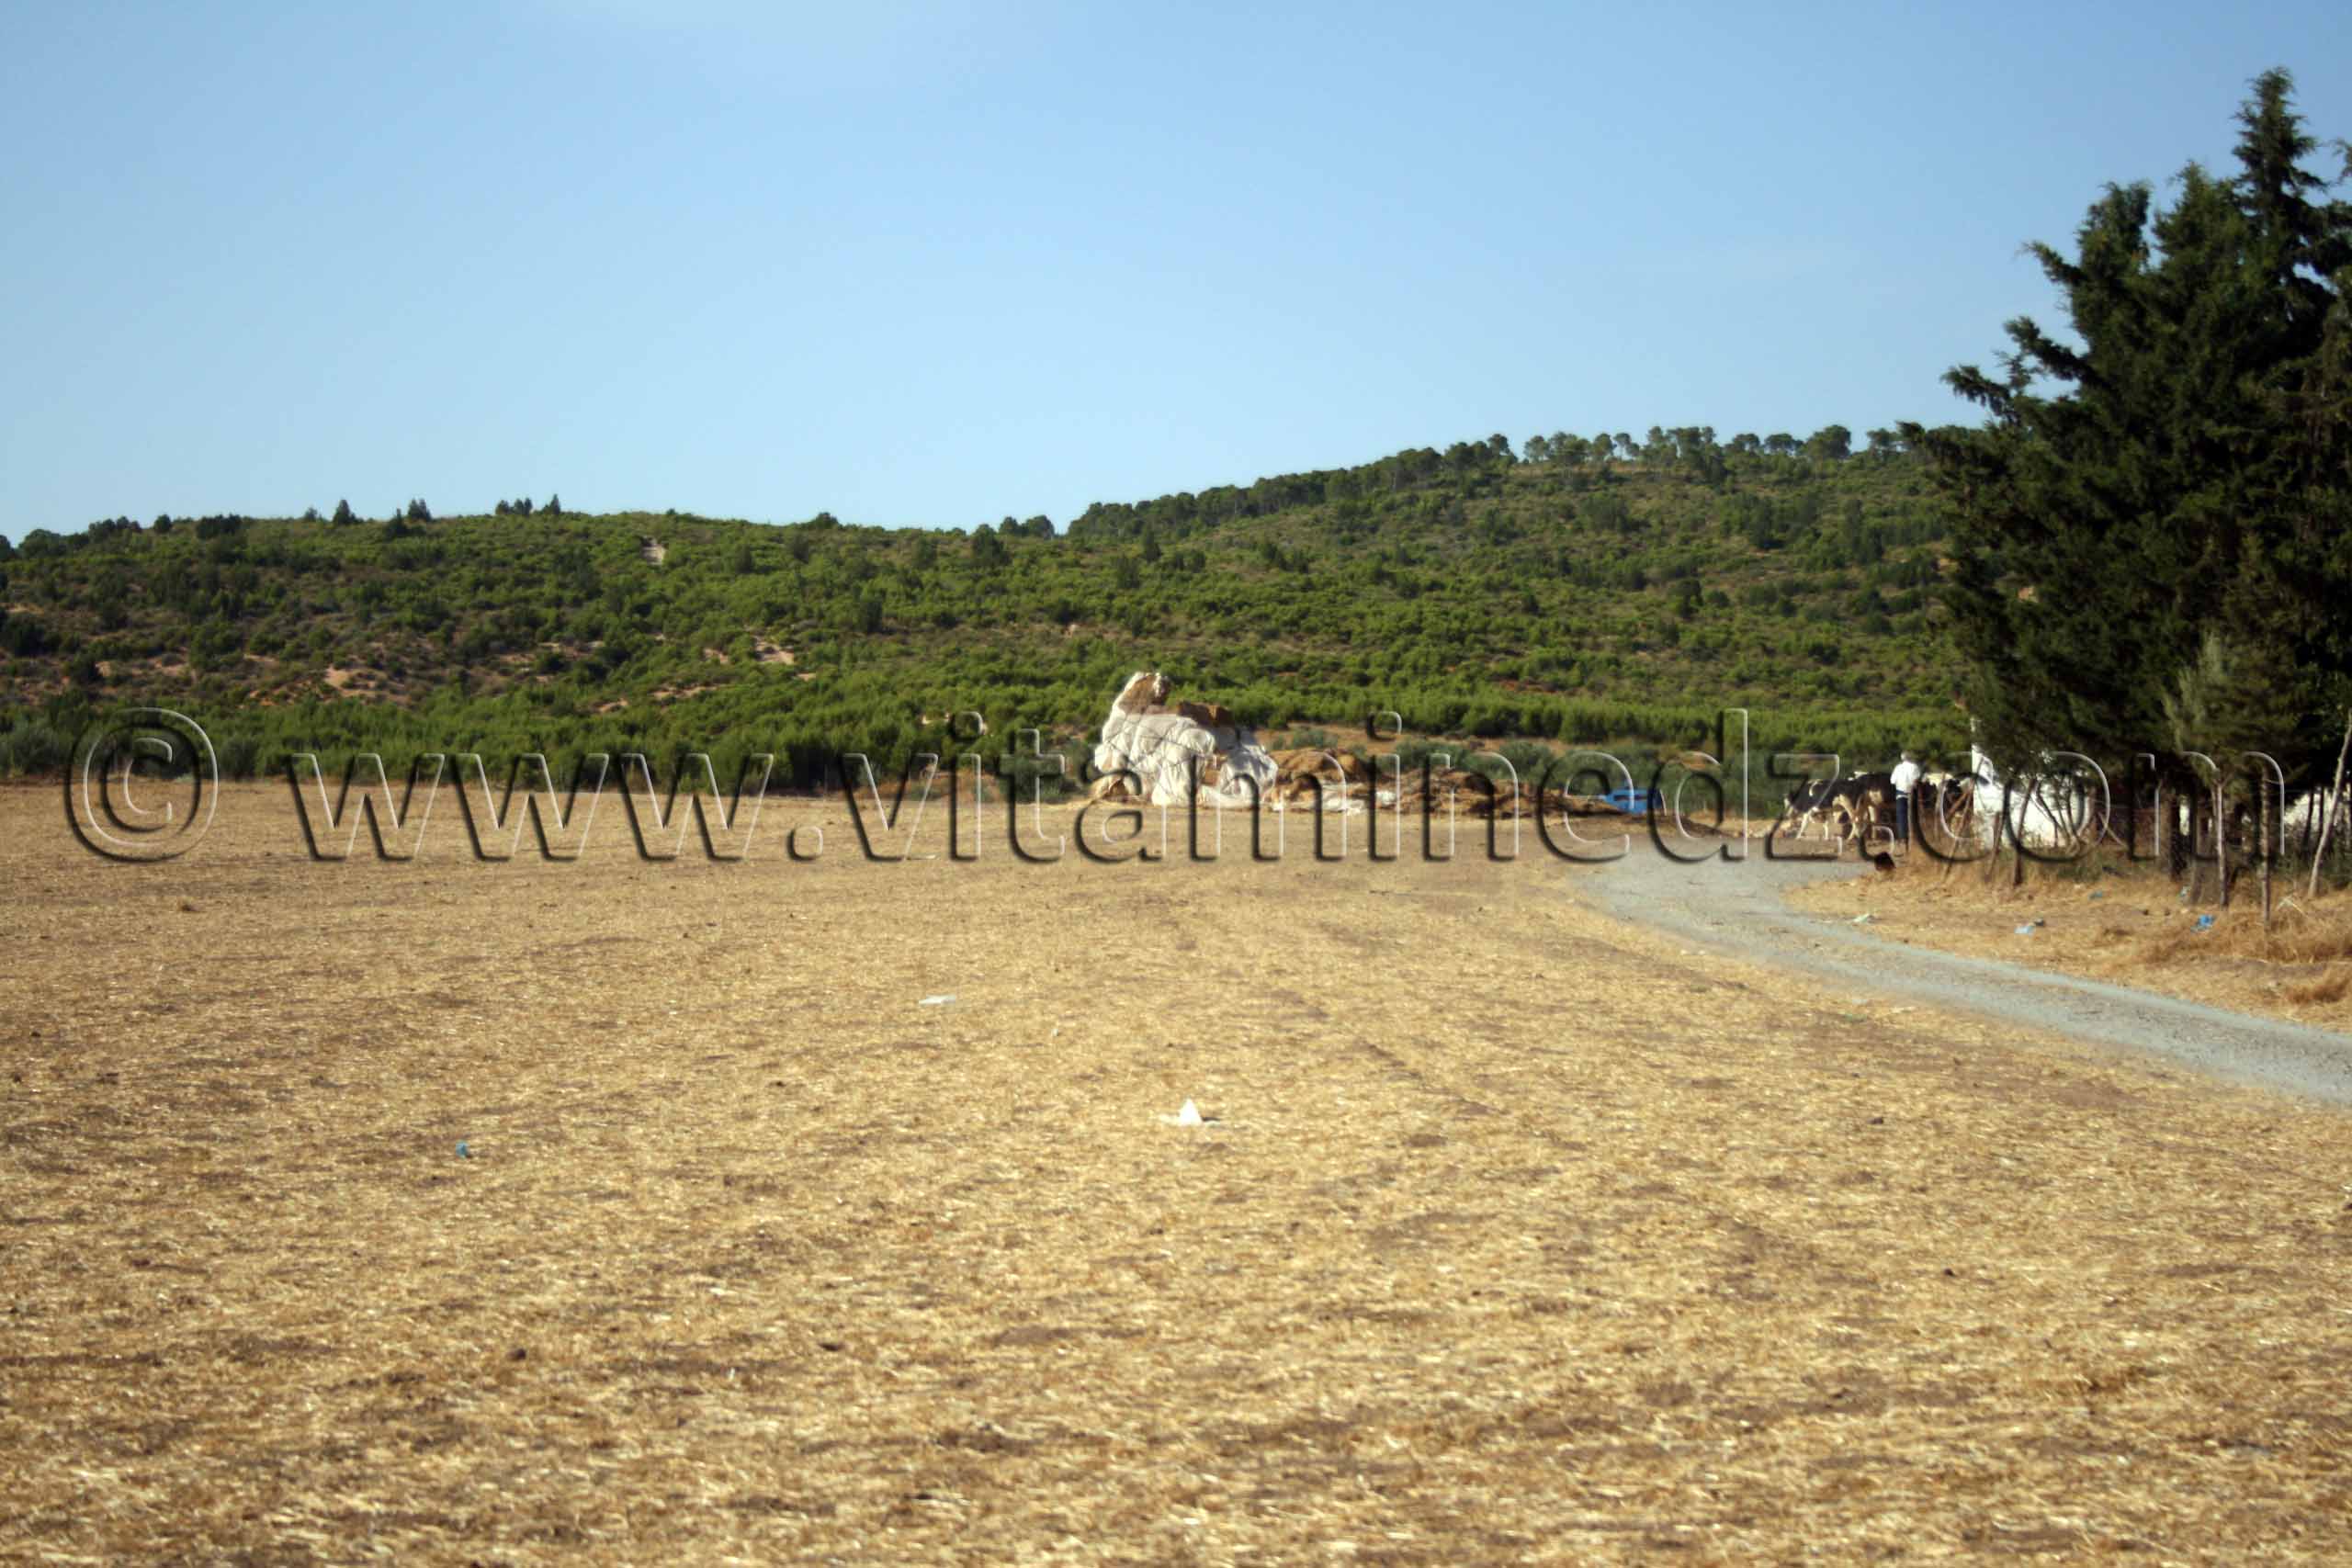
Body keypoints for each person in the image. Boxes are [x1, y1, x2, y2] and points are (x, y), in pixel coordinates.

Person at [1889, 750, 1923, 844]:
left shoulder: (1898, 768)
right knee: (1913, 815)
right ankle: (1915, 836)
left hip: (1900, 794)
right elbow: (1916, 780)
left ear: (1902, 758)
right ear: (1911, 758)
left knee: (1901, 816)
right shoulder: (1915, 767)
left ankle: (1903, 837)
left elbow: (1892, 781)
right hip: (1912, 794)